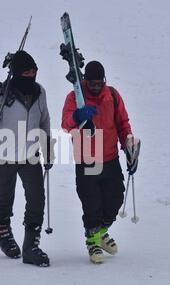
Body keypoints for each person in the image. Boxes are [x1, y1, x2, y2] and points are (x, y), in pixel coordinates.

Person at [0, 51, 54, 267]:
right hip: (3, 155)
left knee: (37, 198)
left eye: (34, 70)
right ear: (18, 73)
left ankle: (31, 246)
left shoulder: (40, 92)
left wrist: (47, 145)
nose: (32, 74)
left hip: (30, 155)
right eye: (27, 71)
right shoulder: (2, 94)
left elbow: (45, 121)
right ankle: (3, 232)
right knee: (4, 196)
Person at [61, 60, 140, 264]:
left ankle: (100, 231)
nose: (96, 87)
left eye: (99, 83)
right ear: (85, 81)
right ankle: (93, 240)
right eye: (92, 83)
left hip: (110, 157)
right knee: (91, 202)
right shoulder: (75, 98)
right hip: (87, 158)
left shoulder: (112, 95)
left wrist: (128, 146)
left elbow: (123, 123)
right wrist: (78, 116)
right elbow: (66, 124)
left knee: (114, 199)